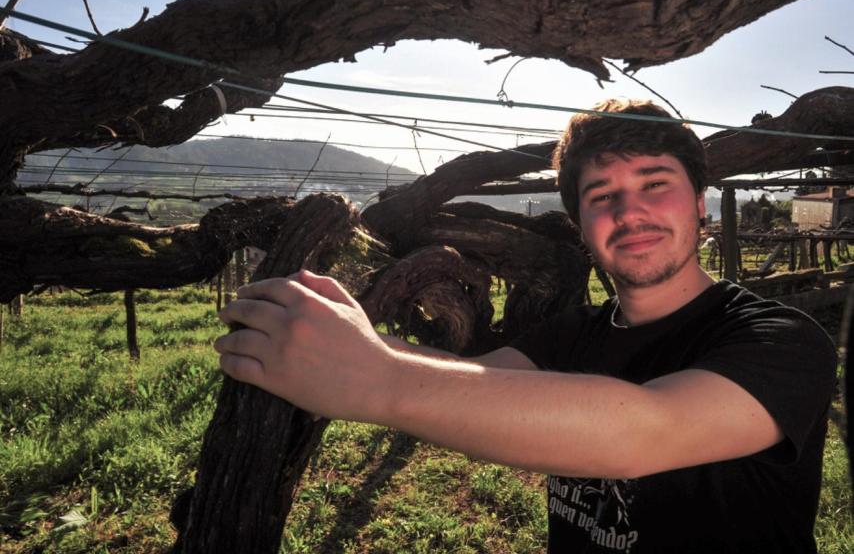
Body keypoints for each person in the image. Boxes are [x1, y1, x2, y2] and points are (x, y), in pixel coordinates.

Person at [214, 99, 838, 553]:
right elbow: (468, 382)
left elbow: (645, 433)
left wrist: (374, 376)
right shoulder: (570, 335)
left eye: (656, 183)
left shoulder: (782, 340)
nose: (630, 211)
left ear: (699, 205)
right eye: (601, 196)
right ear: (580, 224)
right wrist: (352, 341)